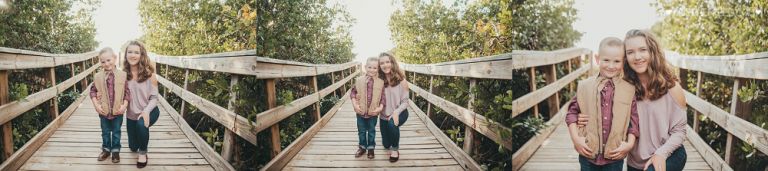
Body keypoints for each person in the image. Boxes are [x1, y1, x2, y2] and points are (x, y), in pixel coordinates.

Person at [579, 29, 688, 171]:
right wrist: (581, 118)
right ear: (625, 58)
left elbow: (680, 131)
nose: (637, 57)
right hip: (635, 162)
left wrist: (661, 154)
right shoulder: (622, 89)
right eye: (630, 52)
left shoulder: (672, 88)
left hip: (669, 154)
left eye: (643, 50)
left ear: (652, 52)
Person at [566, 37, 640, 171]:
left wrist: (629, 144)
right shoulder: (585, 86)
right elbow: (571, 113)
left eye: (616, 61)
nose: (611, 66)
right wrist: (576, 139)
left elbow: (634, 121)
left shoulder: (629, 90)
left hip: (615, 155)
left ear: (623, 62)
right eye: (606, 60)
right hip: (587, 153)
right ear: (597, 58)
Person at [123, 40, 160, 168]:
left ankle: (143, 153)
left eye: (136, 52)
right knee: (133, 147)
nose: (133, 55)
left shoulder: (150, 74)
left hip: (150, 110)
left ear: (141, 55)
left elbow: (155, 98)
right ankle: (139, 141)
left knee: (142, 123)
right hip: (131, 115)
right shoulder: (123, 75)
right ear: (126, 54)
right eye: (130, 52)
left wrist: (146, 111)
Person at [91, 47, 130, 163]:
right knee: (105, 131)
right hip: (104, 111)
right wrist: (96, 105)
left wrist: (124, 106)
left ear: (115, 59)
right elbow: (92, 91)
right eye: (103, 62)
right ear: (100, 63)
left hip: (118, 111)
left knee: (117, 131)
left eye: (109, 60)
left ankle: (116, 151)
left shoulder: (123, 75)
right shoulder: (97, 76)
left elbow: (127, 92)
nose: (106, 64)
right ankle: (106, 150)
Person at [351, 57, 386, 159]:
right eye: (369, 67)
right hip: (360, 111)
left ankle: (371, 148)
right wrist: (354, 105)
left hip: (373, 113)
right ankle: (362, 147)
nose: (372, 70)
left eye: (375, 68)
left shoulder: (381, 82)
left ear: (378, 69)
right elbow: (353, 92)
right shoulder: (359, 80)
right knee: (361, 131)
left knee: (371, 131)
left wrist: (380, 108)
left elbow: (383, 97)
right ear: (365, 67)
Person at [377, 52, 410, 162]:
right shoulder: (379, 81)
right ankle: (390, 142)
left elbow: (405, 102)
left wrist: (396, 112)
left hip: (400, 112)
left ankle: (395, 150)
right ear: (379, 66)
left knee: (392, 123)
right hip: (383, 116)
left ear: (392, 63)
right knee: (386, 145)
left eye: (388, 62)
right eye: (382, 63)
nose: (385, 65)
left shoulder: (401, 80)